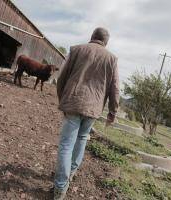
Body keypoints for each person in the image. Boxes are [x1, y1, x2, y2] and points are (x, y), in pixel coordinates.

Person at [54, 27, 119, 200]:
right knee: (82, 139)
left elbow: (62, 77)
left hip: (73, 103)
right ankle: (71, 173)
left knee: (67, 145)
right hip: (93, 109)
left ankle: (60, 188)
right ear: (106, 42)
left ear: (92, 37)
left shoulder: (76, 49)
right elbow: (115, 88)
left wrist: (63, 99)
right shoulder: (112, 59)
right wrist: (112, 112)